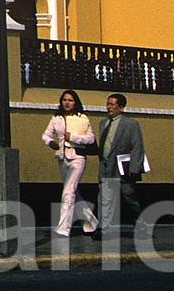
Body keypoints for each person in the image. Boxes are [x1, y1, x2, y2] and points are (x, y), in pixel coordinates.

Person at [41, 88, 101, 237]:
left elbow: (91, 139)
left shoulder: (83, 118)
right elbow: (45, 135)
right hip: (62, 158)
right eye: (65, 100)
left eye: (70, 100)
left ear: (75, 102)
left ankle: (62, 229)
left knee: (68, 192)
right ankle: (92, 223)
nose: (67, 103)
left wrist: (72, 137)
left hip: (77, 158)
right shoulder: (57, 118)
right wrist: (50, 142)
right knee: (73, 192)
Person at [97, 93, 148, 233]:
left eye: (112, 104)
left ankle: (140, 224)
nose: (109, 107)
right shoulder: (103, 123)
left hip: (122, 168)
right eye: (108, 104)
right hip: (106, 166)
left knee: (128, 197)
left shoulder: (131, 124)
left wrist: (134, 169)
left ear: (121, 107)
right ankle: (103, 228)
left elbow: (137, 146)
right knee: (104, 198)